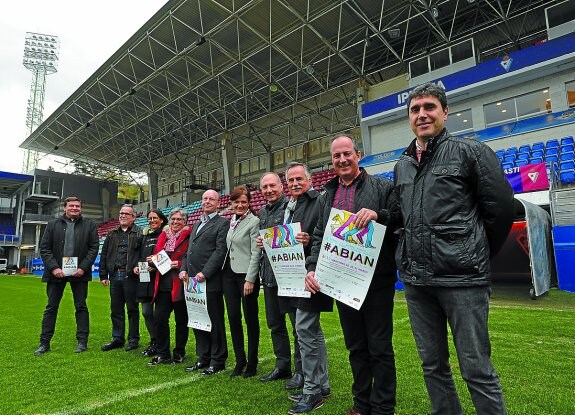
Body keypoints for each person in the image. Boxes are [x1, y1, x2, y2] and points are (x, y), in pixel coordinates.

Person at [394, 82, 514, 415]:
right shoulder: (403, 164)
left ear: (445, 112)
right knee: (432, 365)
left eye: (429, 107)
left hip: (463, 281)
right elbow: (400, 215)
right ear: (409, 118)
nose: (422, 115)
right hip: (418, 284)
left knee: (476, 369)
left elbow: (501, 209)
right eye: (415, 110)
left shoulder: (471, 152)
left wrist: (472, 251)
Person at [305, 135, 399, 415]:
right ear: (332, 161)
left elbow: (399, 215)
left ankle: (382, 407)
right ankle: (361, 403)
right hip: (341, 282)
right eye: (336, 156)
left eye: (347, 154)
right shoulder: (327, 195)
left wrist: (378, 214)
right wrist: (312, 266)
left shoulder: (382, 186)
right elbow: (320, 234)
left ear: (358, 155)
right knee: (356, 346)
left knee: (379, 346)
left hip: (376, 281)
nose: (342, 160)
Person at [283, 162, 333, 415]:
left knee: (304, 328)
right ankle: (322, 384)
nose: (294, 184)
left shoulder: (320, 201)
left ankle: (312, 390)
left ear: (310, 180)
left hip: (313, 273)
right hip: (293, 274)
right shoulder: (289, 207)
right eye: (290, 180)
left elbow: (327, 233)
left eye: (298, 179)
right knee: (312, 330)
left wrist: (311, 239)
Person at [35, 196, 99, 355]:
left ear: (81, 208)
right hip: (56, 273)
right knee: (51, 307)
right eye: (72, 206)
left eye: (78, 206)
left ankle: (82, 342)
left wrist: (83, 268)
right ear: (65, 208)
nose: (75, 208)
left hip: (79, 274)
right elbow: (44, 248)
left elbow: (93, 248)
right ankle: (44, 343)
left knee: (81, 307)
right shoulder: (52, 225)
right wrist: (54, 268)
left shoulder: (90, 225)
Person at [257, 172, 303, 389]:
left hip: (290, 276)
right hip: (268, 277)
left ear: (281, 186)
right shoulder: (262, 212)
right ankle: (282, 365)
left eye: (272, 185)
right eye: (264, 187)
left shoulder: (292, 206)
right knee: (275, 324)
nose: (268, 190)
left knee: (297, 326)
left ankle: (301, 371)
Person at [181, 190, 229, 375]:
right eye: (205, 199)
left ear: (218, 203)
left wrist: (205, 273)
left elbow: (220, 251)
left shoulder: (222, 223)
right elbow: (189, 252)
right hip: (192, 281)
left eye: (211, 199)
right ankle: (204, 357)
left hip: (210, 282)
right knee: (198, 319)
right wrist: (184, 268)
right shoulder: (196, 224)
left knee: (214, 321)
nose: (207, 201)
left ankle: (218, 360)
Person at [222, 185, 261, 378]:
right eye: (236, 202)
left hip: (246, 277)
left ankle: (252, 363)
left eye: (243, 202)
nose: (239, 205)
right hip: (229, 275)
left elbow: (256, 252)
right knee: (233, 318)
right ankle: (240, 361)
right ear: (232, 203)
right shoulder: (232, 220)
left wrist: (250, 279)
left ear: (248, 203)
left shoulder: (254, 222)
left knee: (251, 320)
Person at [148, 207, 192, 365]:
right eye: (173, 219)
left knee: (181, 320)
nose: (175, 222)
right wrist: (153, 261)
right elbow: (157, 255)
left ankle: (179, 352)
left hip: (179, 285)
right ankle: (163, 353)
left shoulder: (190, 236)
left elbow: (191, 257)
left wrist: (179, 264)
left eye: (179, 219)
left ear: (185, 221)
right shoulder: (163, 236)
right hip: (162, 284)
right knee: (159, 320)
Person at [100, 204, 142, 352]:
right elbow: (104, 254)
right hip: (114, 275)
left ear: (133, 217)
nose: (123, 216)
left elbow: (143, 254)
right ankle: (117, 338)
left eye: (126, 214)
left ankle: (133, 339)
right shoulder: (112, 233)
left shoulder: (139, 233)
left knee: (132, 309)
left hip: (131, 276)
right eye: (121, 213)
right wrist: (103, 275)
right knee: (116, 309)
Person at [133, 208, 168, 357]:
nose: (152, 221)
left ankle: (160, 344)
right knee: (146, 312)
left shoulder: (166, 235)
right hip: (145, 278)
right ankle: (154, 341)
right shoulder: (145, 236)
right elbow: (139, 255)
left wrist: (155, 264)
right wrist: (137, 266)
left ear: (161, 220)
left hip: (160, 279)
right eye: (150, 218)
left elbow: (168, 256)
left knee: (160, 316)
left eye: (155, 218)